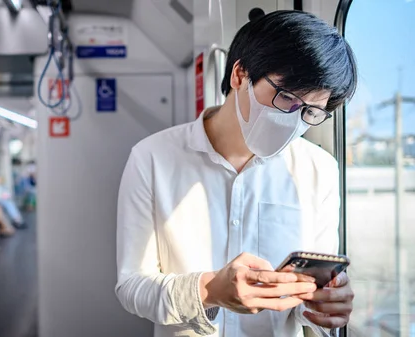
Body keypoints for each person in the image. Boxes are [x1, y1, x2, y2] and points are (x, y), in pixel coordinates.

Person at [115, 10, 357, 337]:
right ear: (240, 74)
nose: (295, 121)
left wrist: (324, 305)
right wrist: (209, 290)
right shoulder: (152, 158)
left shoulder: (320, 169)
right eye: (286, 97)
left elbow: (309, 293)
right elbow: (132, 287)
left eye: (311, 112)